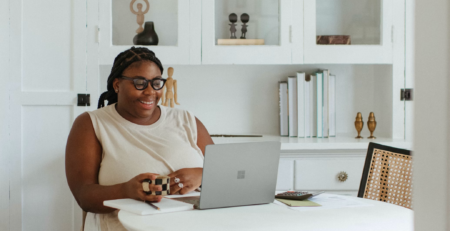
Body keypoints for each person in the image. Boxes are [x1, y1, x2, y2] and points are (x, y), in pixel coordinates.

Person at [65, 47, 214, 231]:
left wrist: (202, 174)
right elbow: (84, 196)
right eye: (139, 82)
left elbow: (226, 176)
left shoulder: (187, 120)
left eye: (156, 82)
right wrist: (126, 190)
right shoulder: (91, 124)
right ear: (117, 84)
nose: (150, 92)